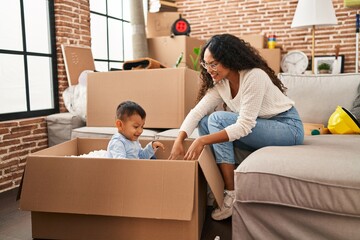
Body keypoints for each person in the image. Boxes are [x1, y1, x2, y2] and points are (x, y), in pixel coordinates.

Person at [168, 34, 304, 220]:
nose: (209, 70)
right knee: (205, 121)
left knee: (217, 119)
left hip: (287, 127)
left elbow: (245, 125)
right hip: (261, 128)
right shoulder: (221, 84)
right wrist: (179, 139)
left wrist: (202, 140)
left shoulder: (254, 76)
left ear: (230, 59)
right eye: (206, 64)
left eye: (213, 64)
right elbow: (197, 112)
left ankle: (231, 193)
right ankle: (218, 183)